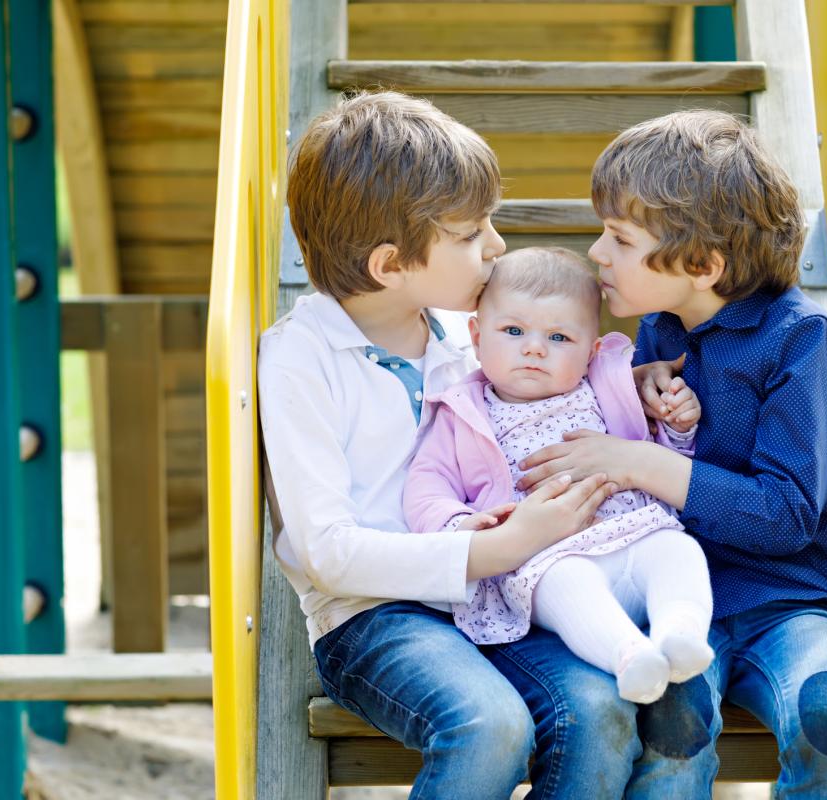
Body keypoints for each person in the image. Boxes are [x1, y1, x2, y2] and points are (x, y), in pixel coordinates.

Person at [258, 90, 648, 799]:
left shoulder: (465, 336)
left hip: (503, 598)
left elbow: (561, 384)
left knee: (600, 710)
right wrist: (493, 549)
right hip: (374, 617)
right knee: (490, 725)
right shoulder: (300, 358)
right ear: (389, 265)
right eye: (472, 235)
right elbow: (328, 553)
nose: (497, 247)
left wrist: (642, 385)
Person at [517, 109, 827, 798]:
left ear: (703, 265)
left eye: (620, 239)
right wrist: (627, 391)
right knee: (669, 727)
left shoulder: (802, 345)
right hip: (679, 599)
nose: (597, 253)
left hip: (791, 601)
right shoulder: (658, 331)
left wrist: (635, 458)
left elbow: (785, 516)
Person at [405, 247, 714, 705]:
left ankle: (679, 633)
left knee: (680, 550)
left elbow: (654, 456)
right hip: (549, 558)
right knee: (566, 587)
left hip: (637, 534)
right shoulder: (462, 412)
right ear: (476, 335)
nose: (534, 348)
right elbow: (427, 484)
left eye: (558, 338)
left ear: (590, 351)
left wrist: (676, 426)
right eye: (513, 331)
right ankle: (629, 656)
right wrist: (459, 526)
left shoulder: (607, 387)